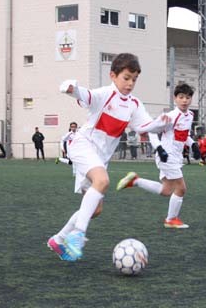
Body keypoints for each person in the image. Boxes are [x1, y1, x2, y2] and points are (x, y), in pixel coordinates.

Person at [46, 53, 169, 261]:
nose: (130, 83)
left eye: (134, 79)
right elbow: (84, 95)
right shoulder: (105, 94)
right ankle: (78, 234)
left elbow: (144, 126)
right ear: (113, 75)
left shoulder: (134, 104)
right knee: (102, 181)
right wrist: (71, 88)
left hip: (100, 158)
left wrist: (159, 123)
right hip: (83, 146)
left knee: (95, 209)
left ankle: (58, 239)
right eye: (126, 78)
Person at [116, 82, 200, 229]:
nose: (184, 100)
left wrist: (193, 144)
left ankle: (136, 181)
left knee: (167, 190)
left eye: (187, 97)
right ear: (175, 99)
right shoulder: (170, 116)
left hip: (176, 156)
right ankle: (171, 219)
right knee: (181, 188)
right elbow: (152, 131)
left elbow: (183, 135)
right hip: (167, 156)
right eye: (181, 97)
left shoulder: (190, 115)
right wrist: (159, 149)